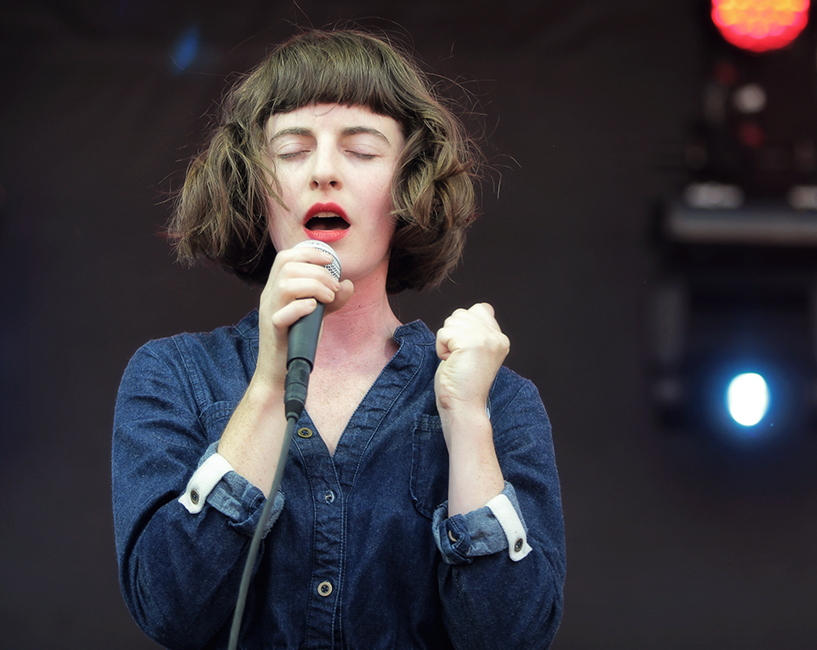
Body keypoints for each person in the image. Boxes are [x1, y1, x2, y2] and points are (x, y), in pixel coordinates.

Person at [111, 29, 565, 650]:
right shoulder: (173, 376)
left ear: (408, 188)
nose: (324, 171)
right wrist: (270, 384)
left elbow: (512, 636)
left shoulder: (500, 401)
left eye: (362, 150)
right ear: (257, 189)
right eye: (293, 150)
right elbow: (169, 611)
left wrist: (467, 421)